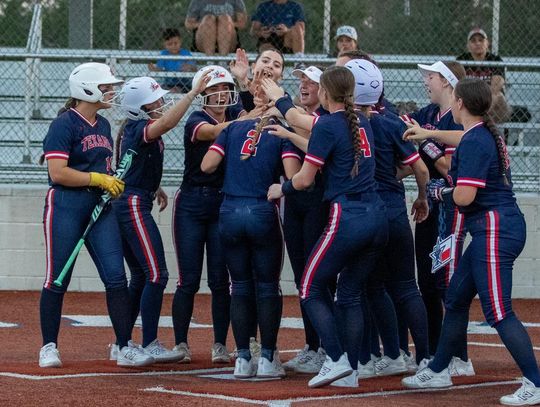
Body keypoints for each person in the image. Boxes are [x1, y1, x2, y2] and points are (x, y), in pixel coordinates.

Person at [402, 78, 540, 407]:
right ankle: (438, 368)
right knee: (457, 297)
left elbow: (464, 195)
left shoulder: (477, 140)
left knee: (498, 311)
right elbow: (462, 138)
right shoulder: (479, 133)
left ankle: (534, 381)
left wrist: (440, 191)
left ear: (460, 103)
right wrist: (428, 134)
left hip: (494, 228)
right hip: (494, 226)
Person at [265, 66, 389, 388]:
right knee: (348, 294)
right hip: (377, 215)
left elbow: (305, 179)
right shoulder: (361, 120)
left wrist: (283, 189)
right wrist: (287, 113)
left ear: (324, 92)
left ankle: (334, 358)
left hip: (348, 216)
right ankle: (352, 370)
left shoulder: (330, 125)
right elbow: (313, 130)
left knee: (309, 288)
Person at [39, 62, 153, 368]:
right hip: (66, 204)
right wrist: (97, 180)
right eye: (106, 86)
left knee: (116, 277)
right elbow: (58, 172)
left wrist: (110, 182)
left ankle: (123, 345)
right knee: (57, 277)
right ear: (87, 88)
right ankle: (49, 345)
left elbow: (102, 167)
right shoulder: (64, 124)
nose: (112, 91)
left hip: (99, 209)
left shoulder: (102, 125)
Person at [109, 73, 211, 363]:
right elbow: (166, 123)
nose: (162, 103)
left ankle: (122, 340)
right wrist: (191, 95)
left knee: (142, 275)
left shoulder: (134, 127)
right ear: (139, 107)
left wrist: (155, 187)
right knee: (156, 274)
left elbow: (131, 163)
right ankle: (148, 341)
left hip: (134, 198)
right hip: (131, 203)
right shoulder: (139, 126)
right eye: (155, 100)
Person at [343, 59, 430, 379]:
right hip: (393, 208)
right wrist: (421, 197)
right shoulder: (392, 122)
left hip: (367, 212)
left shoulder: (344, 122)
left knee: (368, 288)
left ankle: (375, 355)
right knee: (407, 286)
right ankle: (421, 359)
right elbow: (420, 168)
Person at [171, 65, 263, 364]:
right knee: (188, 279)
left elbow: (255, 103)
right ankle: (181, 343)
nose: (221, 94)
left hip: (221, 202)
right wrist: (246, 116)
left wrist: (242, 77)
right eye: (214, 89)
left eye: (225, 88)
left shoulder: (236, 113)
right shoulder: (198, 120)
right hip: (193, 204)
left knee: (220, 281)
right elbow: (212, 132)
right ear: (203, 94)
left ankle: (220, 344)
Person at [201, 113, 302, 379]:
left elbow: (207, 165)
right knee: (268, 286)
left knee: (240, 286)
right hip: (261, 209)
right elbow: (292, 175)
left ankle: (243, 358)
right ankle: (267, 357)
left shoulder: (233, 128)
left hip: (230, 209)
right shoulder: (280, 131)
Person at [401, 61, 471, 372]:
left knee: (446, 283)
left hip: (449, 210)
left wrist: (426, 140)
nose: (426, 81)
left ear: (446, 81)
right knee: (427, 283)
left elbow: (447, 170)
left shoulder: (458, 120)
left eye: (431, 76)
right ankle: (431, 352)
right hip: (429, 208)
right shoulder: (429, 114)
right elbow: (414, 158)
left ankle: (459, 356)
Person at [263, 65, 329, 375]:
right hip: (296, 202)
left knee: (321, 278)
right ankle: (312, 344)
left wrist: (291, 129)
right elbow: (293, 171)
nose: (303, 85)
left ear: (324, 89)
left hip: (320, 203)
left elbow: (314, 148)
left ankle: (328, 345)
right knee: (303, 276)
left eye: (311, 81)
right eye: (300, 79)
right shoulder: (298, 122)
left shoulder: (326, 121)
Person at [456, 28, 511, 123]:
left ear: (487, 43)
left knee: (498, 95)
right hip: (469, 99)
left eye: (481, 40)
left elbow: (496, 86)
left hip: (490, 101)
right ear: (468, 45)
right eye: (473, 41)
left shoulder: (495, 60)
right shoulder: (462, 59)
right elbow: (457, 84)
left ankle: (478, 121)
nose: (478, 43)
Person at [148, 28, 197, 93]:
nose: (173, 46)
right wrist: (154, 69)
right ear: (164, 44)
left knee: (180, 90)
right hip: (169, 84)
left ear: (180, 41)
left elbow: (195, 69)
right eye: (170, 44)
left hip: (184, 84)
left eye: (176, 43)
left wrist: (190, 67)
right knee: (159, 90)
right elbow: (160, 69)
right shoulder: (164, 54)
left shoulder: (185, 53)